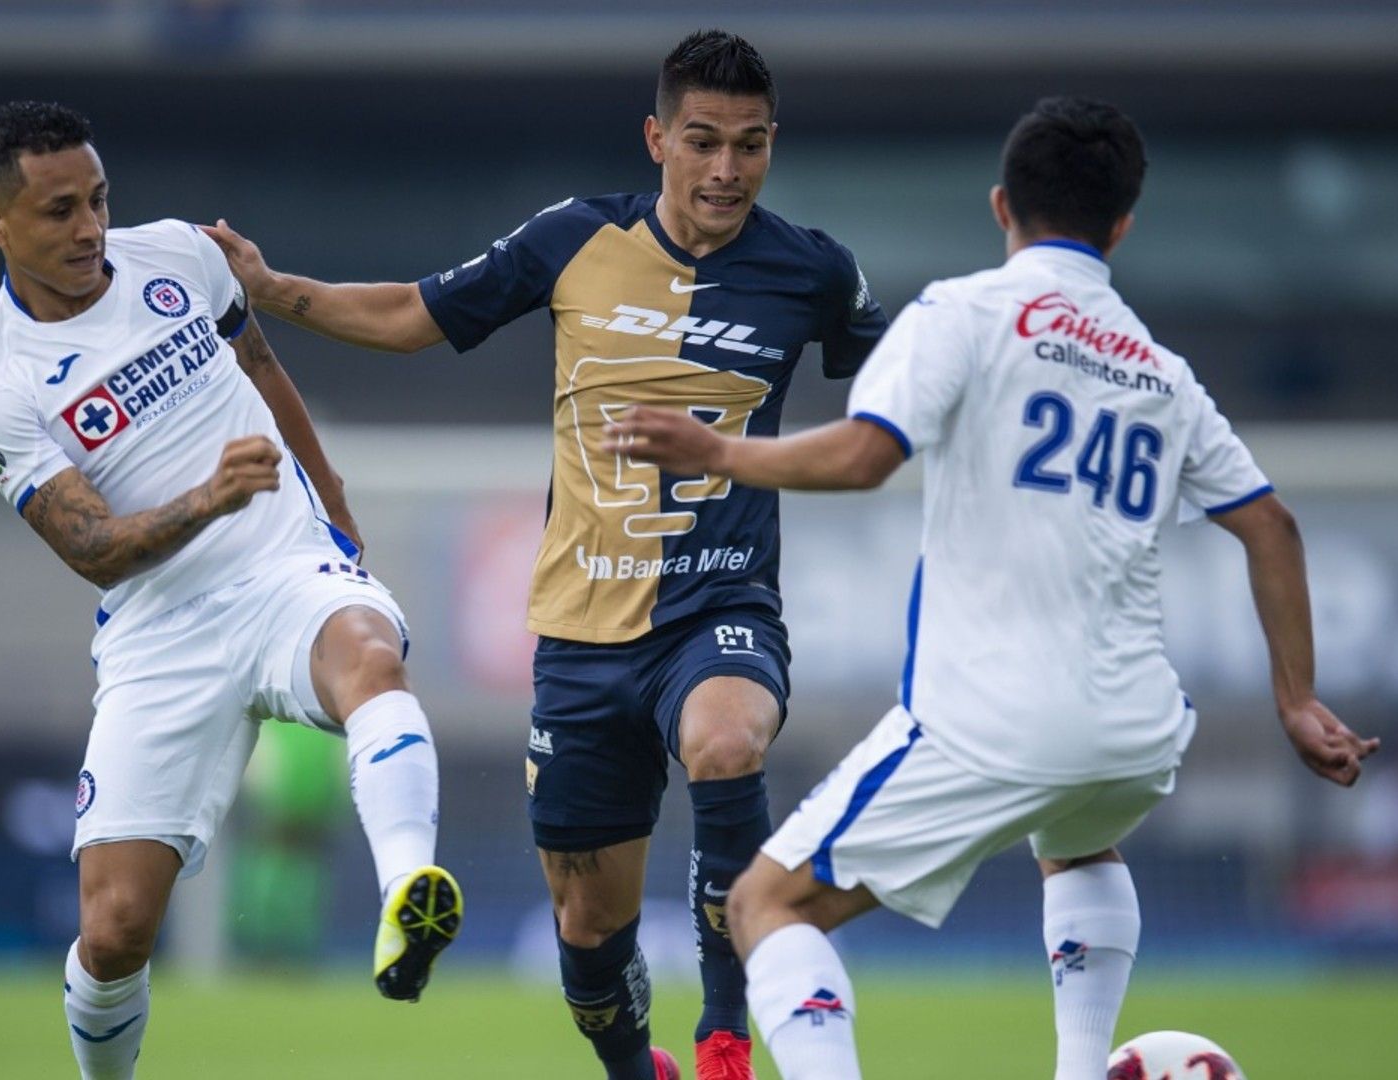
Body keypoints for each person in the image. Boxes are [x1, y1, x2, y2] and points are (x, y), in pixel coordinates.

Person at [608, 95, 1381, 1080]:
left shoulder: (965, 313)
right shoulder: (1160, 372)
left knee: (769, 904)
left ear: (1001, 205)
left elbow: (860, 459)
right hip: (1135, 729)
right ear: (1124, 225)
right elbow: (1270, 524)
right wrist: (1298, 700)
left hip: (992, 719)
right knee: (1080, 843)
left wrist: (716, 447)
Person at [204, 30, 886, 1080]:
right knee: (585, 928)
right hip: (580, 633)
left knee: (726, 743)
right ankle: (631, 1067)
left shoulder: (811, 270)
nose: (725, 170)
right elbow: (412, 314)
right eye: (702, 142)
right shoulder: (574, 238)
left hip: (720, 605)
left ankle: (723, 1037)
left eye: (750, 145)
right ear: (656, 138)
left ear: (771, 145)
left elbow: (897, 381)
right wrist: (271, 289)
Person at [0, 101, 462, 1080]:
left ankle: (409, 895)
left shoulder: (181, 255)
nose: (91, 228)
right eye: (59, 211)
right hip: (159, 632)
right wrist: (207, 497)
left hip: (281, 569)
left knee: (368, 653)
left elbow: (260, 363)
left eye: (99, 200)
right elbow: (92, 546)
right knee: (115, 930)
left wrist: (337, 504)